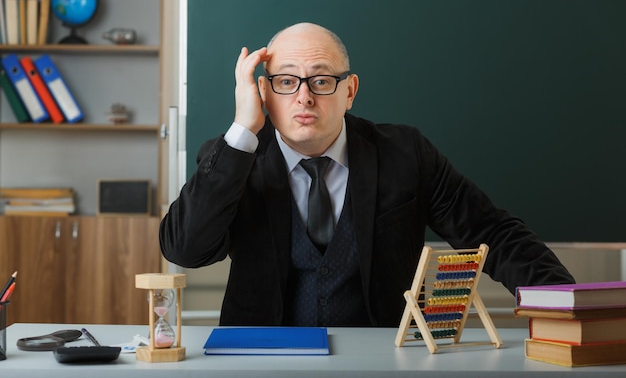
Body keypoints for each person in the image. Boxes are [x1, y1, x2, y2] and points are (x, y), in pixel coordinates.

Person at [159, 22, 575, 327]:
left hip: (387, 359)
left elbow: (494, 233)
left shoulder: (405, 153)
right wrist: (242, 131)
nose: (304, 96)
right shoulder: (235, 157)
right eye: (286, 82)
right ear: (264, 92)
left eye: (321, 80)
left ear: (350, 91)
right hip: (263, 358)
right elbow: (185, 250)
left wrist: (569, 306)